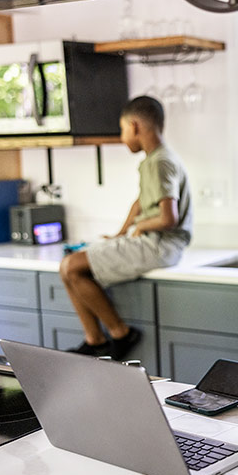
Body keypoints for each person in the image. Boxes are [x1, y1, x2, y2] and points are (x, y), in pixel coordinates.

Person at [60, 96, 193, 360]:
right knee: (68, 267)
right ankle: (95, 339)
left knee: (71, 266)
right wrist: (121, 233)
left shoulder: (160, 162)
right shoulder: (154, 159)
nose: (122, 137)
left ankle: (119, 333)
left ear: (134, 126)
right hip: (155, 242)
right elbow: (141, 202)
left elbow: (169, 218)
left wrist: (140, 227)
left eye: (122, 130)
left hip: (162, 245)